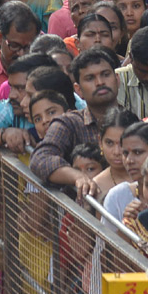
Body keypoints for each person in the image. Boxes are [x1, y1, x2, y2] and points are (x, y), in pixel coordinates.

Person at [30, 46, 120, 198]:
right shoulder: (69, 123)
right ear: (78, 89)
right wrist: (78, 177)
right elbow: (41, 159)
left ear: (117, 80)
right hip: (80, 215)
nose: (99, 82)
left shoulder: (131, 122)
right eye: (90, 78)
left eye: (105, 75)